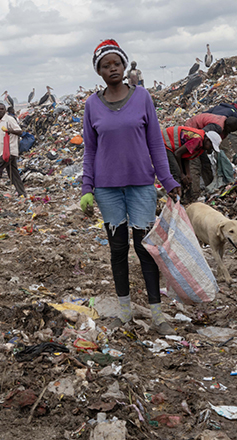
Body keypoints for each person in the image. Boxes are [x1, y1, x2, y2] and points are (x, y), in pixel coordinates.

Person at [81, 39, 181, 335]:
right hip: (107, 189)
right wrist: (87, 188)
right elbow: (90, 150)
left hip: (141, 186)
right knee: (117, 250)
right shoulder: (92, 105)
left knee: (145, 248)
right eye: (105, 65)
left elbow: (155, 144)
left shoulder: (142, 98)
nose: (112, 69)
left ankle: (157, 315)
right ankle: (124, 313)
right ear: (98, 71)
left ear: (124, 66)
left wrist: (169, 181)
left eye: (116, 63)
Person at [163, 125, 218, 198]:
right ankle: (176, 200)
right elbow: (177, 154)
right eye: (211, 146)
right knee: (177, 174)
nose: (210, 149)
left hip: (173, 148)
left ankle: (185, 197)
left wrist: (188, 174)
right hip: (165, 142)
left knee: (185, 177)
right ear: (207, 140)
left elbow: (186, 156)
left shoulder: (201, 146)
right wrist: (182, 173)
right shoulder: (197, 140)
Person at [0, 103, 26, 198]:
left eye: (2, 109)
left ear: (5, 110)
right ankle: (22, 193)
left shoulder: (9, 119)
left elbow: (20, 132)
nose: (0, 111)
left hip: (10, 151)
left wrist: (9, 131)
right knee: (14, 174)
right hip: (3, 151)